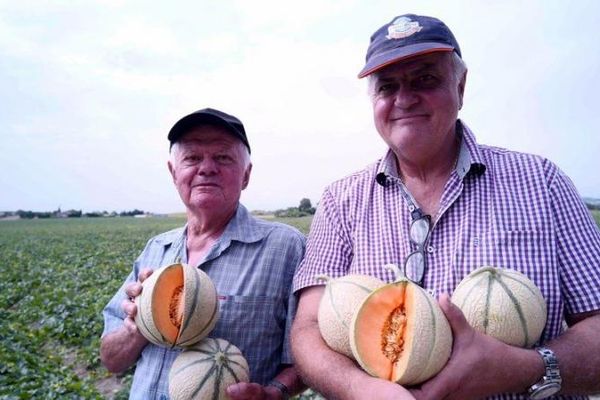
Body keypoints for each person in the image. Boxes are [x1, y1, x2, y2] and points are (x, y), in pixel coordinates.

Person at [291, 13, 600, 400]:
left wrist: (528, 368)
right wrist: (358, 388)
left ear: (461, 85)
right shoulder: (340, 201)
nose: (404, 98)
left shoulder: (542, 182)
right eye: (388, 86)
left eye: (425, 79)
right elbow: (307, 330)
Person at [100, 108, 306, 400]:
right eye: (192, 158)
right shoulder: (156, 249)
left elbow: (311, 354)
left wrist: (275, 392)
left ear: (246, 175)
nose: (207, 168)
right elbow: (112, 360)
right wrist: (142, 324)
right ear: (174, 173)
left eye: (223, 157)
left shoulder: (286, 247)